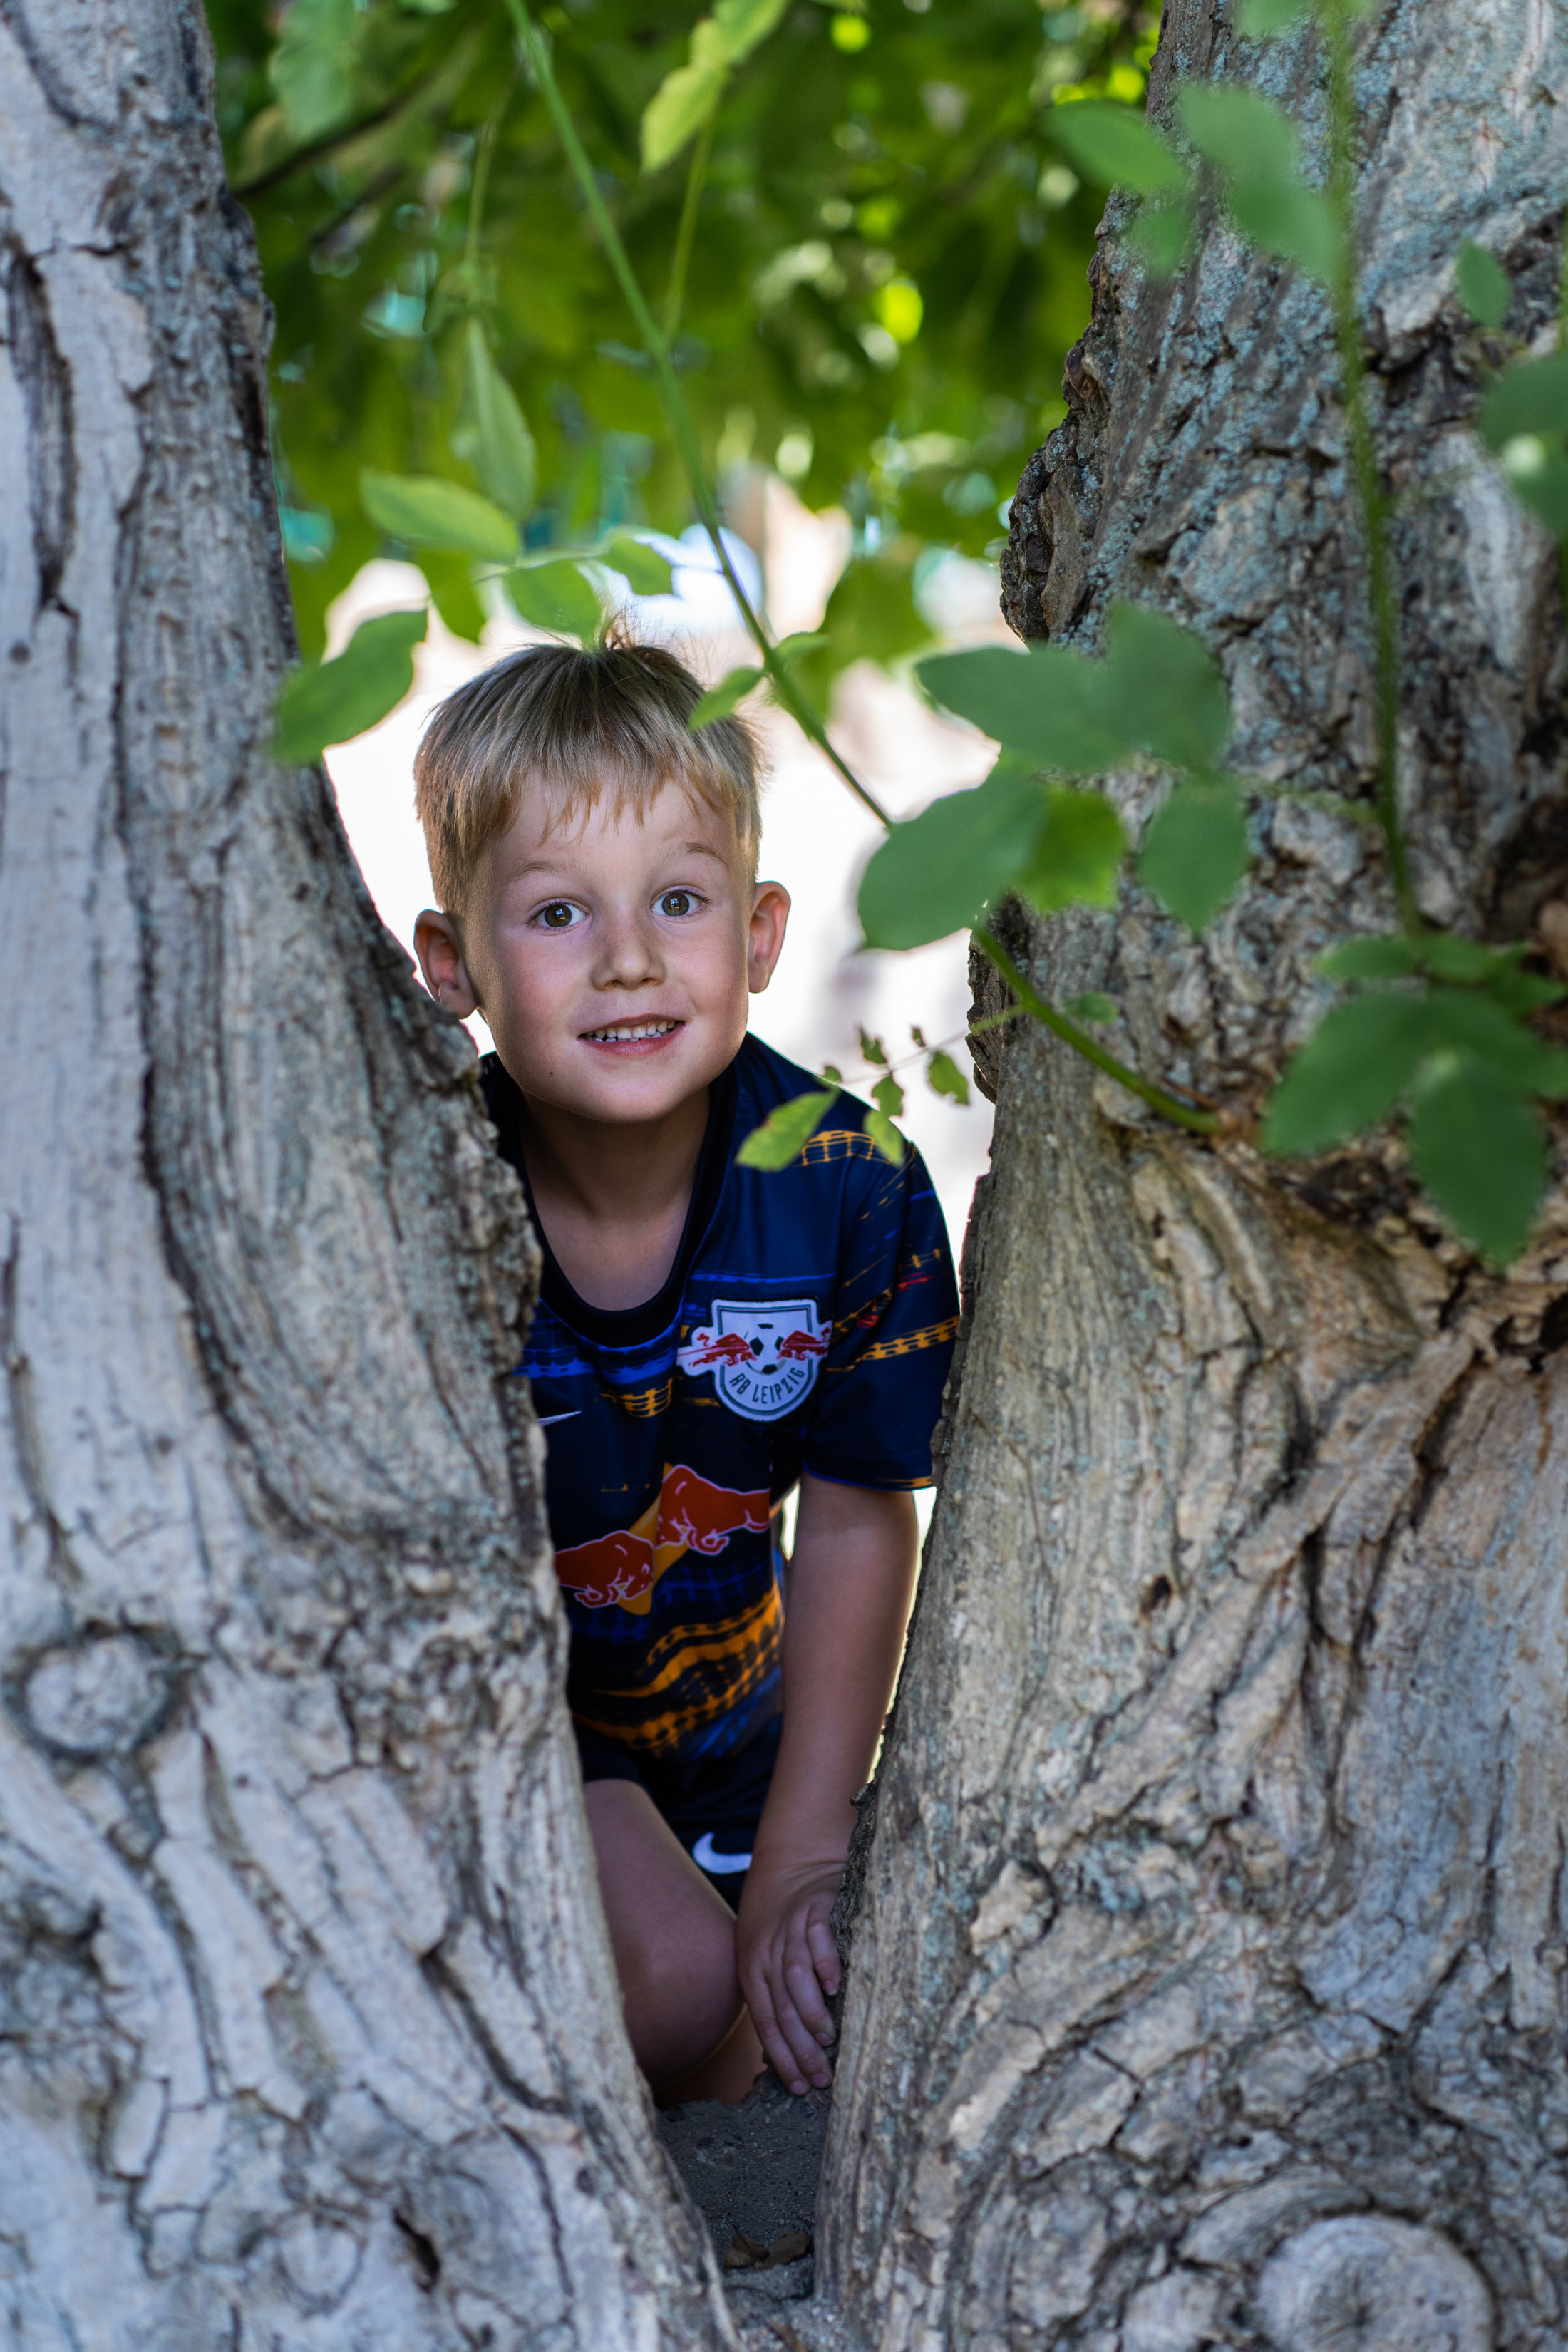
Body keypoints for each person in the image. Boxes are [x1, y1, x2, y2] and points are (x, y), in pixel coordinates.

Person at [412, 629, 959, 2106]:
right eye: (552, 914)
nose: (629, 958)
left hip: (745, 1741)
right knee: (673, 1982)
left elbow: (854, 1511)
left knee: (835, 1994)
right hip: (519, 1743)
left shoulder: (845, 1186)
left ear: (760, 933)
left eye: (676, 898)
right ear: (448, 966)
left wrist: (804, 1860)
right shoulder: (411, 1196)